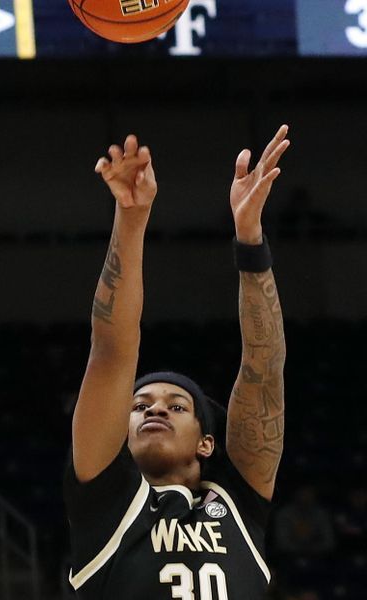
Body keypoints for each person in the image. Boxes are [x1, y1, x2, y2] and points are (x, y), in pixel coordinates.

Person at [65, 126, 290, 598]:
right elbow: (111, 350)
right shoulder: (103, 504)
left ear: (207, 444)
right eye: (140, 404)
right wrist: (131, 217)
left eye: (176, 405)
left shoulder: (238, 504)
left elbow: (263, 369)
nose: (154, 409)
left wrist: (250, 241)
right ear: (119, 435)